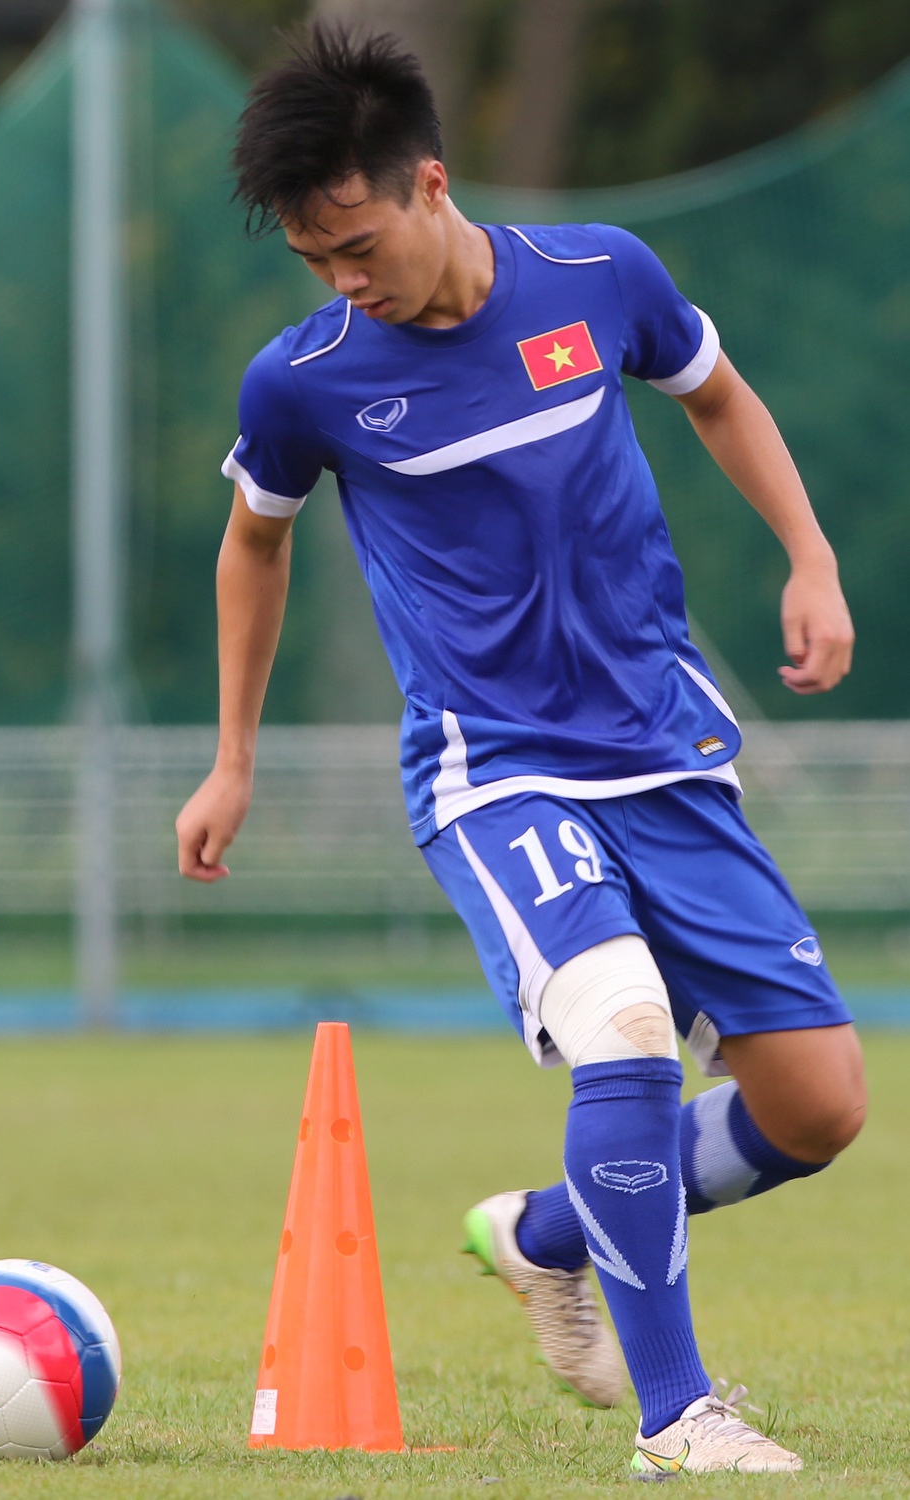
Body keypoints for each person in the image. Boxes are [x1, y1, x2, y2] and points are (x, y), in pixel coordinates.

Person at [175, 26, 866, 1478]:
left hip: (664, 747)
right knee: (622, 1023)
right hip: (494, 764)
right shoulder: (301, 383)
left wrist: (809, 557)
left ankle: (547, 1232)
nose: (343, 280)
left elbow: (718, 396)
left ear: (429, 182)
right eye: (315, 260)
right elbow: (254, 546)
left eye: (358, 245)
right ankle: (678, 1419)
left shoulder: (600, 276)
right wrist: (232, 759)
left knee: (818, 1109)